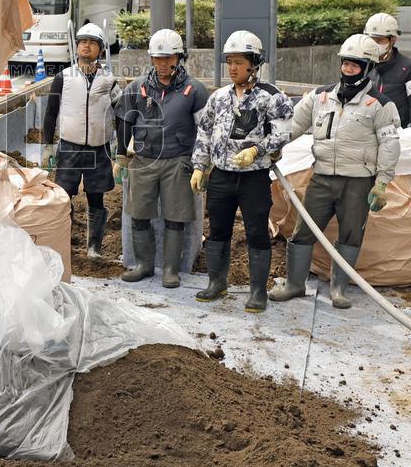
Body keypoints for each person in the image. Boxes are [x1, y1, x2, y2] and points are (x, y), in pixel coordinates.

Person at [270, 34, 400, 310]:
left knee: (351, 235)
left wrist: (382, 183)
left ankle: (339, 289)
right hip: (322, 177)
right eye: (346, 64)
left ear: (368, 68)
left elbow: (390, 145)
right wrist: (274, 147)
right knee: (304, 230)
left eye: (356, 65)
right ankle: (294, 284)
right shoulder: (321, 96)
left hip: (358, 182)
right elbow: (294, 125)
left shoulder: (380, 105)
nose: (349, 69)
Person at [190, 31, 293, 313]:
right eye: (229, 62)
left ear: (254, 64)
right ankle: (216, 282)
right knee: (218, 229)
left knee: (256, 231)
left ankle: (258, 291)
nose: (233, 67)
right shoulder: (219, 97)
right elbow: (205, 131)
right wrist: (200, 166)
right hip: (222, 175)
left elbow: (285, 132)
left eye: (239, 62)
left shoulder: (271, 97)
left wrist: (257, 150)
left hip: (254, 177)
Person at [114, 29, 209, 286]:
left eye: (169, 58)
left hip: (178, 159)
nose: (163, 64)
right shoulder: (138, 88)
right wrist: (121, 154)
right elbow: (123, 119)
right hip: (144, 159)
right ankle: (144, 264)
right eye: (158, 58)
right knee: (139, 213)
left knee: (175, 216)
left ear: (179, 57)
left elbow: (205, 130)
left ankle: (170, 269)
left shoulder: (194, 90)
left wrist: (202, 163)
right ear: (151, 59)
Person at [41, 23, 121, 259]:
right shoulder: (63, 78)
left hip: (99, 149)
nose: (86, 46)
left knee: (96, 196)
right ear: (76, 47)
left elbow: (122, 110)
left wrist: (124, 144)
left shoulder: (108, 80)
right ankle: (62, 244)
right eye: (83, 42)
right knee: (64, 197)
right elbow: (50, 113)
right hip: (70, 148)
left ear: (100, 49)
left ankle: (93, 247)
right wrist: (47, 145)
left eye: (92, 42)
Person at [364, 13, 411, 128]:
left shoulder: (407, 67)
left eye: (379, 40)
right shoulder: (362, 66)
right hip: (367, 133)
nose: (375, 44)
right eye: (371, 39)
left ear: (393, 39)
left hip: (399, 134)